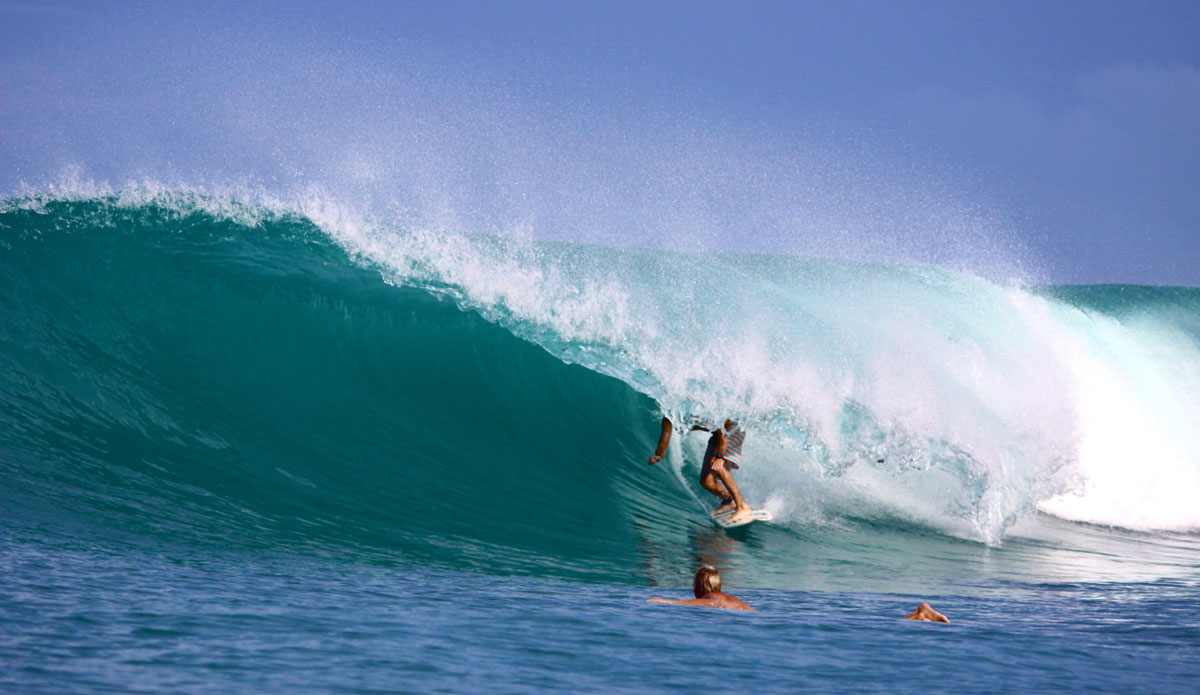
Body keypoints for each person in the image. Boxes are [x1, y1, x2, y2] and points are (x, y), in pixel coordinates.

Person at [649, 416, 754, 525]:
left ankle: (742, 507)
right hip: (717, 434)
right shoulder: (668, 416)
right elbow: (666, 434)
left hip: (730, 429)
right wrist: (659, 454)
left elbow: (721, 432)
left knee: (717, 464)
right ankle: (729, 501)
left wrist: (719, 456)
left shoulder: (692, 410)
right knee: (706, 482)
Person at [647, 565, 753, 611]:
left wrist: (666, 601)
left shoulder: (710, 597)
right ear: (720, 586)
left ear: (695, 587)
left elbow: (712, 603)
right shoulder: (734, 599)